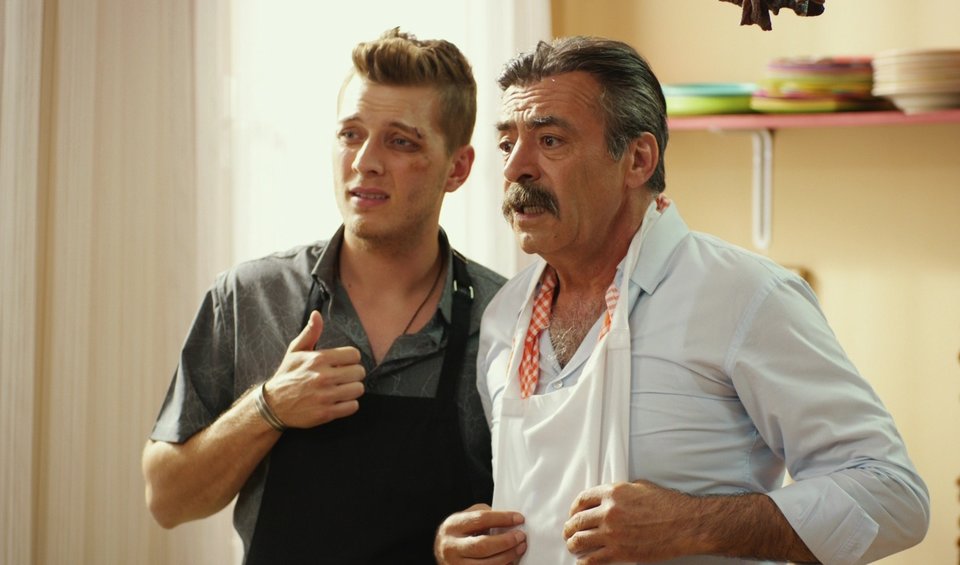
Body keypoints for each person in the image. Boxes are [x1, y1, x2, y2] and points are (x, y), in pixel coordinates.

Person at [435, 36, 929, 565]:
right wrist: (461, 548)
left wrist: (695, 525)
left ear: (638, 159)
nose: (515, 169)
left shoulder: (744, 295)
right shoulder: (504, 316)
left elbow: (894, 496)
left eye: (550, 140)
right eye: (506, 144)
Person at [142, 28, 505, 564]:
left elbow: (543, 514)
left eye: (400, 141)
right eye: (351, 134)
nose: (364, 161)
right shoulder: (248, 298)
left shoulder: (506, 319)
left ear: (458, 168)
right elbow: (167, 499)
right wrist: (267, 408)